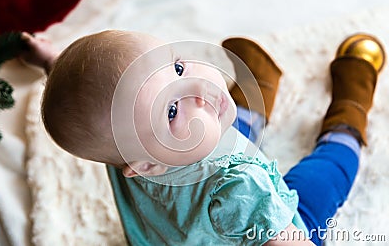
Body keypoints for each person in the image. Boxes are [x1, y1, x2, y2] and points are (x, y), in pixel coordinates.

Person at [21, 30, 385, 246]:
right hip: (275, 224)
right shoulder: (241, 186)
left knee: (218, 123)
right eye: (171, 110)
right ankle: (349, 114)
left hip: (196, 188)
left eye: (178, 67)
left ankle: (260, 88)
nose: (197, 88)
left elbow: (92, 95)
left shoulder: (123, 144)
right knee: (323, 177)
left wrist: (54, 62)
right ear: (145, 165)